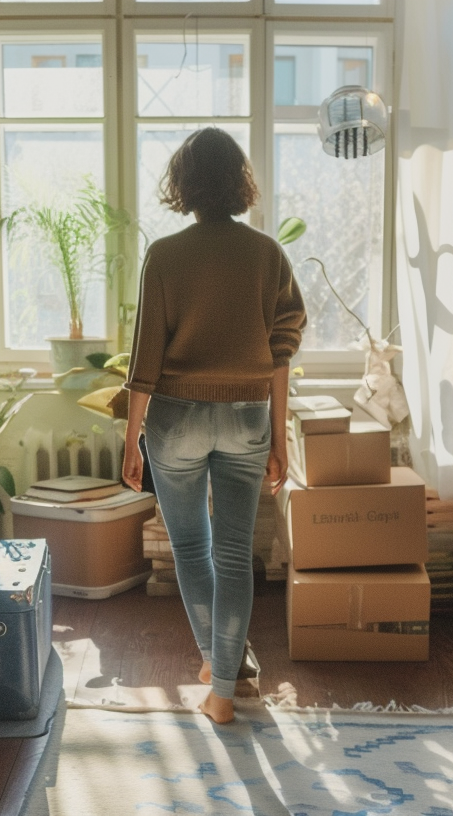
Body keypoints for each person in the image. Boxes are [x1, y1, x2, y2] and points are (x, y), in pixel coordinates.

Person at [121, 127, 306, 725]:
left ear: (184, 184)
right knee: (234, 554)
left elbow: (144, 358)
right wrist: (280, 441)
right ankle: (224, 685)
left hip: (174, 418)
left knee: (191, 550)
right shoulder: (267, 254)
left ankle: (215, 665)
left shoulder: (165, 256)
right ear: (239, 182)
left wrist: (131, 443)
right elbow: (282, 353)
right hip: (248, 414)